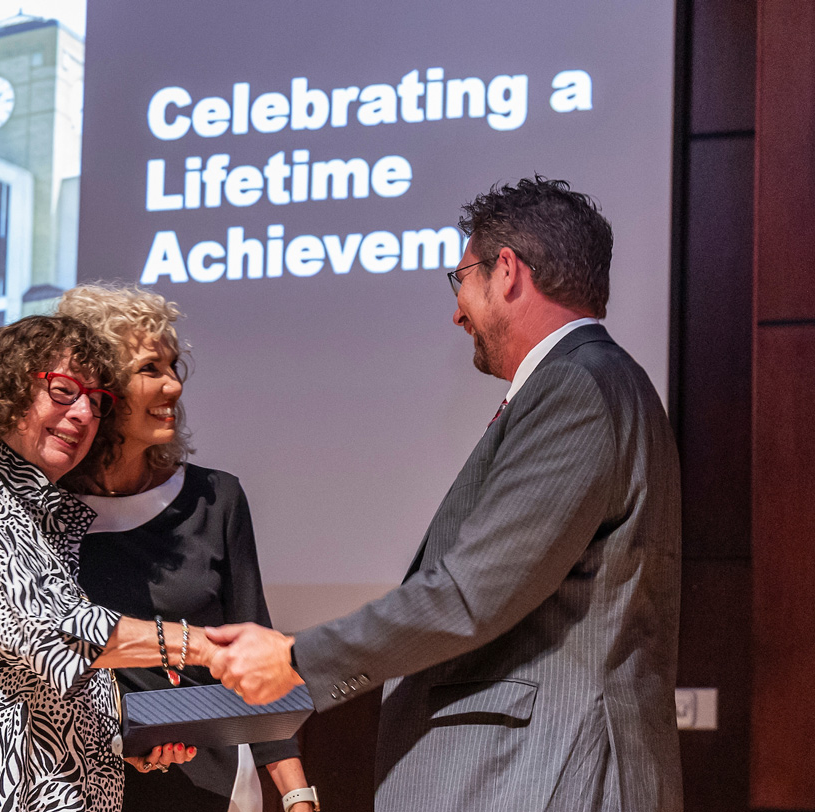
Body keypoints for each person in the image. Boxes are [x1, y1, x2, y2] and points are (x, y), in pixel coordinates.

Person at [206, 177, 684, 812]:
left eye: (460, 279)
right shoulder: (601, 382)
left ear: (506, 272)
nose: (457, 311)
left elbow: (470, 596)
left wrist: (298, 659)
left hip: (547, 773)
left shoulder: (575, 387)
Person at [0, 287, 316, 812]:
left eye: (96, 400)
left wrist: (117, 744)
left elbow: (29, 673)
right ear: (8, 390)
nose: (83, 413)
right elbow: (53, 631)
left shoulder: (45, 510)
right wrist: (206, 647)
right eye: (64, 390)